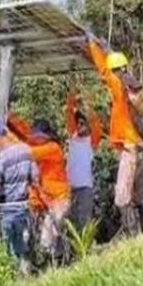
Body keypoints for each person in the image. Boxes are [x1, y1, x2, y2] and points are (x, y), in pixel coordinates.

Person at [84, 32, 143, 237]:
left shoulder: (119, 87)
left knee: (121, 197)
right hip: (138, 147)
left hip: (130, 147)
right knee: (139, 196)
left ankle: (134, 236)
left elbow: (103, 71)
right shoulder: (133, 88)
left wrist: (92, 45)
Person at [7, 114, 71, 262]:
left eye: (39, 136)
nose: (36, 138)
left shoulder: (53, 148)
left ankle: (56, 265)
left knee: (48, 237)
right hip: (47, 201)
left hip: (59, 200)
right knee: (49, 235)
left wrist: (8, 138)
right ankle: (60, 262)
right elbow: (24, 133)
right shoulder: (39, 145)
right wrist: (9, 119)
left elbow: (28, 153)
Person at [0, 120, 38, 275]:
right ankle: (26, 278)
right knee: (22, 247)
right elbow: (36, 179)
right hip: (24, 208)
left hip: (7, 211)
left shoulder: (1, 159)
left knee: (9, 249)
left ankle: (13, 281)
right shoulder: (26, 150)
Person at [64, 91, 104, 233]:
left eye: (82, 123)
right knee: (71, 220)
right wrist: (72, 95)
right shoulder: (73, 137)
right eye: (78, 123)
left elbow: (95, 123)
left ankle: (87, 249)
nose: (80, 126)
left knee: (85, 220)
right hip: (70, 186)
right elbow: (68, 113)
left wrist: (87, 103)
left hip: (85, 186)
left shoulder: (91, 141)